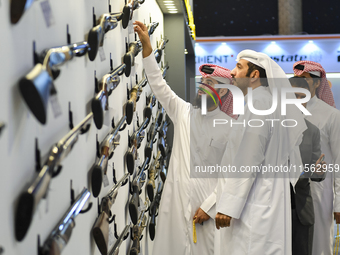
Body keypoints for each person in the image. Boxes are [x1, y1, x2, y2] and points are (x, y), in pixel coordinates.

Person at [133, 21, 233, 255]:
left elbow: (230, 176)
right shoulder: (184, 112)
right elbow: (158, 84)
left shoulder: (231, 128)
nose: (203, 87)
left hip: (206, 209)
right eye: (203, 83)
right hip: (176, 202)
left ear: (225, 91)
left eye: (211, 83)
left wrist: (209, 207)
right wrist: (147, 45)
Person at [214, 50, 307, 255]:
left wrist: (229, 206)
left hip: (255, 202)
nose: (232, 72)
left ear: (254, 75)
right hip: (263, 198)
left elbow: (249, 156)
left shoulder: (260, 104)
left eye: (239, 67)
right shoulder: (264, 101)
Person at [293, 61, 340, 255]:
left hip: (320, 192)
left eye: (305, 80)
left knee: (319, 246)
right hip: (292, 194)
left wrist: (339, 203)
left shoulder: (331, 115)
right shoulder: (285, 113)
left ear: (318, 83)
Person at [289, 76, 326, 255]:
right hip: (273, 210)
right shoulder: (271, 128)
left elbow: (315, 172)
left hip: (302, 211)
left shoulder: (312, 131)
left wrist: (319, 171)